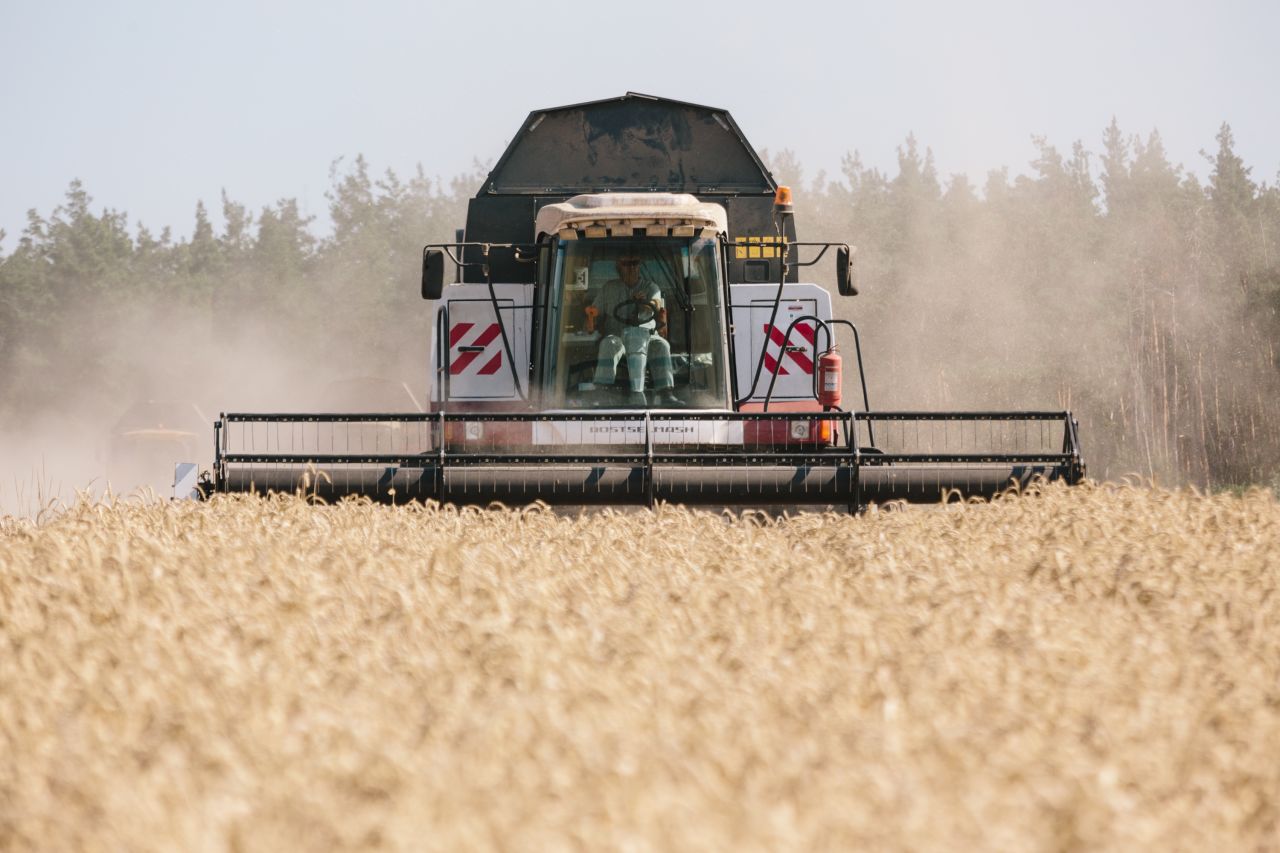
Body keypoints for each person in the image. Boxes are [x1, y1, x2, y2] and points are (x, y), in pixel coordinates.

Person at [587, 254, 681, 406]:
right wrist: (592, 313)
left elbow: (656, 304)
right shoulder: (608, 289)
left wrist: (645, 303)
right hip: (619, 338)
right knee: (608, 343)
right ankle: (602, 392)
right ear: (619, 267)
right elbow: (595, 311)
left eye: (634, 263)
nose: (631, 267)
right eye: (626, 263)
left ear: (639, 265)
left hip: (647, 339)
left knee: (662, 345)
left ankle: (666, 393)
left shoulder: (650, 287)